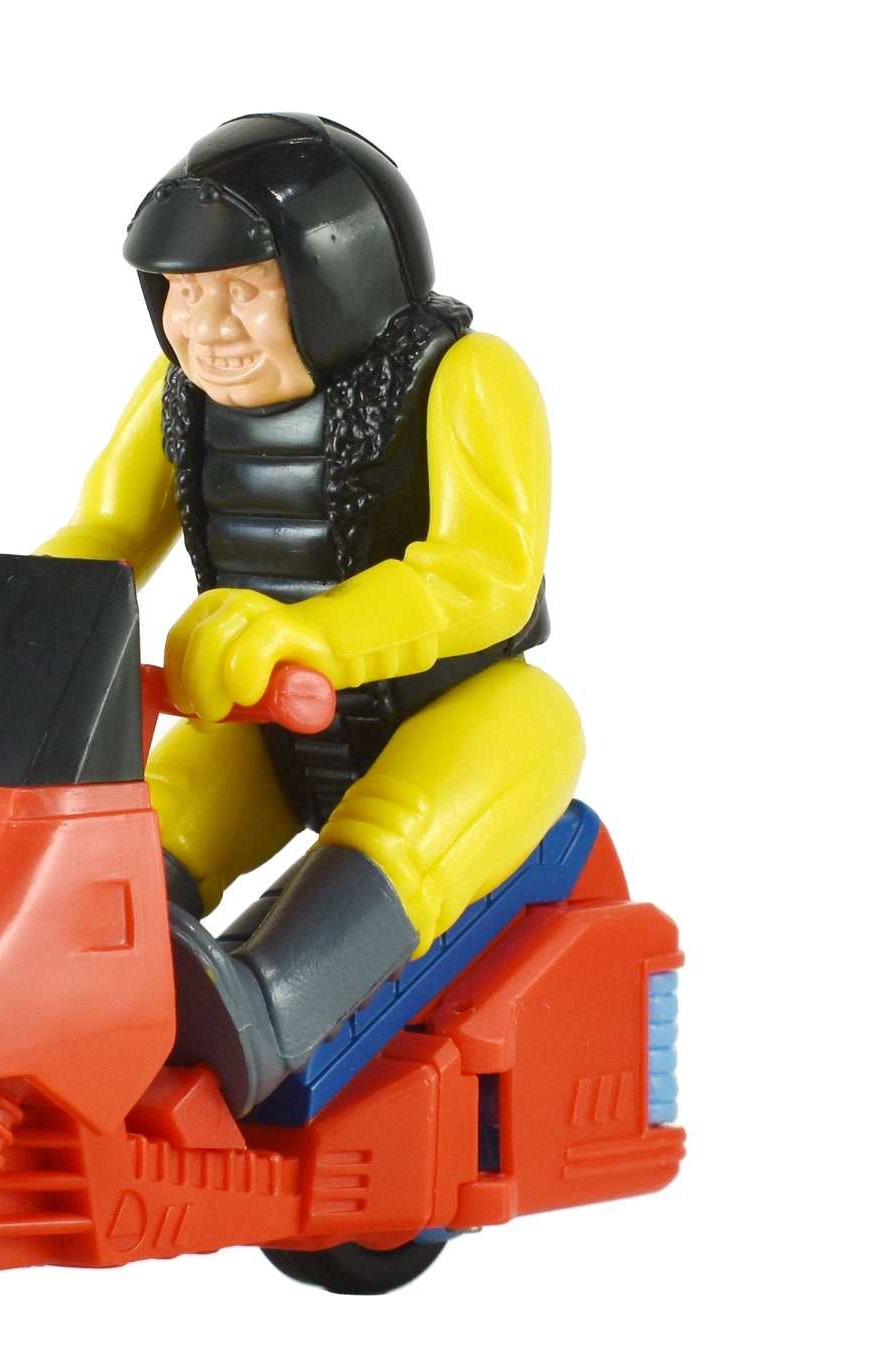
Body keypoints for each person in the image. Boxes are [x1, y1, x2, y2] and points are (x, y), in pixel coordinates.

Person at [38, 114, 584, 1115]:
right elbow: (107, 527)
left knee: (396, 828)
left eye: (243, 290)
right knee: (136, 843)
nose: (205, 326)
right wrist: (25, 617)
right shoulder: (178, 393)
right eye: (182, 293)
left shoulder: (465, 376)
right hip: (268, 718)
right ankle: (59, 994)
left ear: (338, 274)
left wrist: (315, 636)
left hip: (463, 710)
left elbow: (482, 575)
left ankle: (264, 1009)